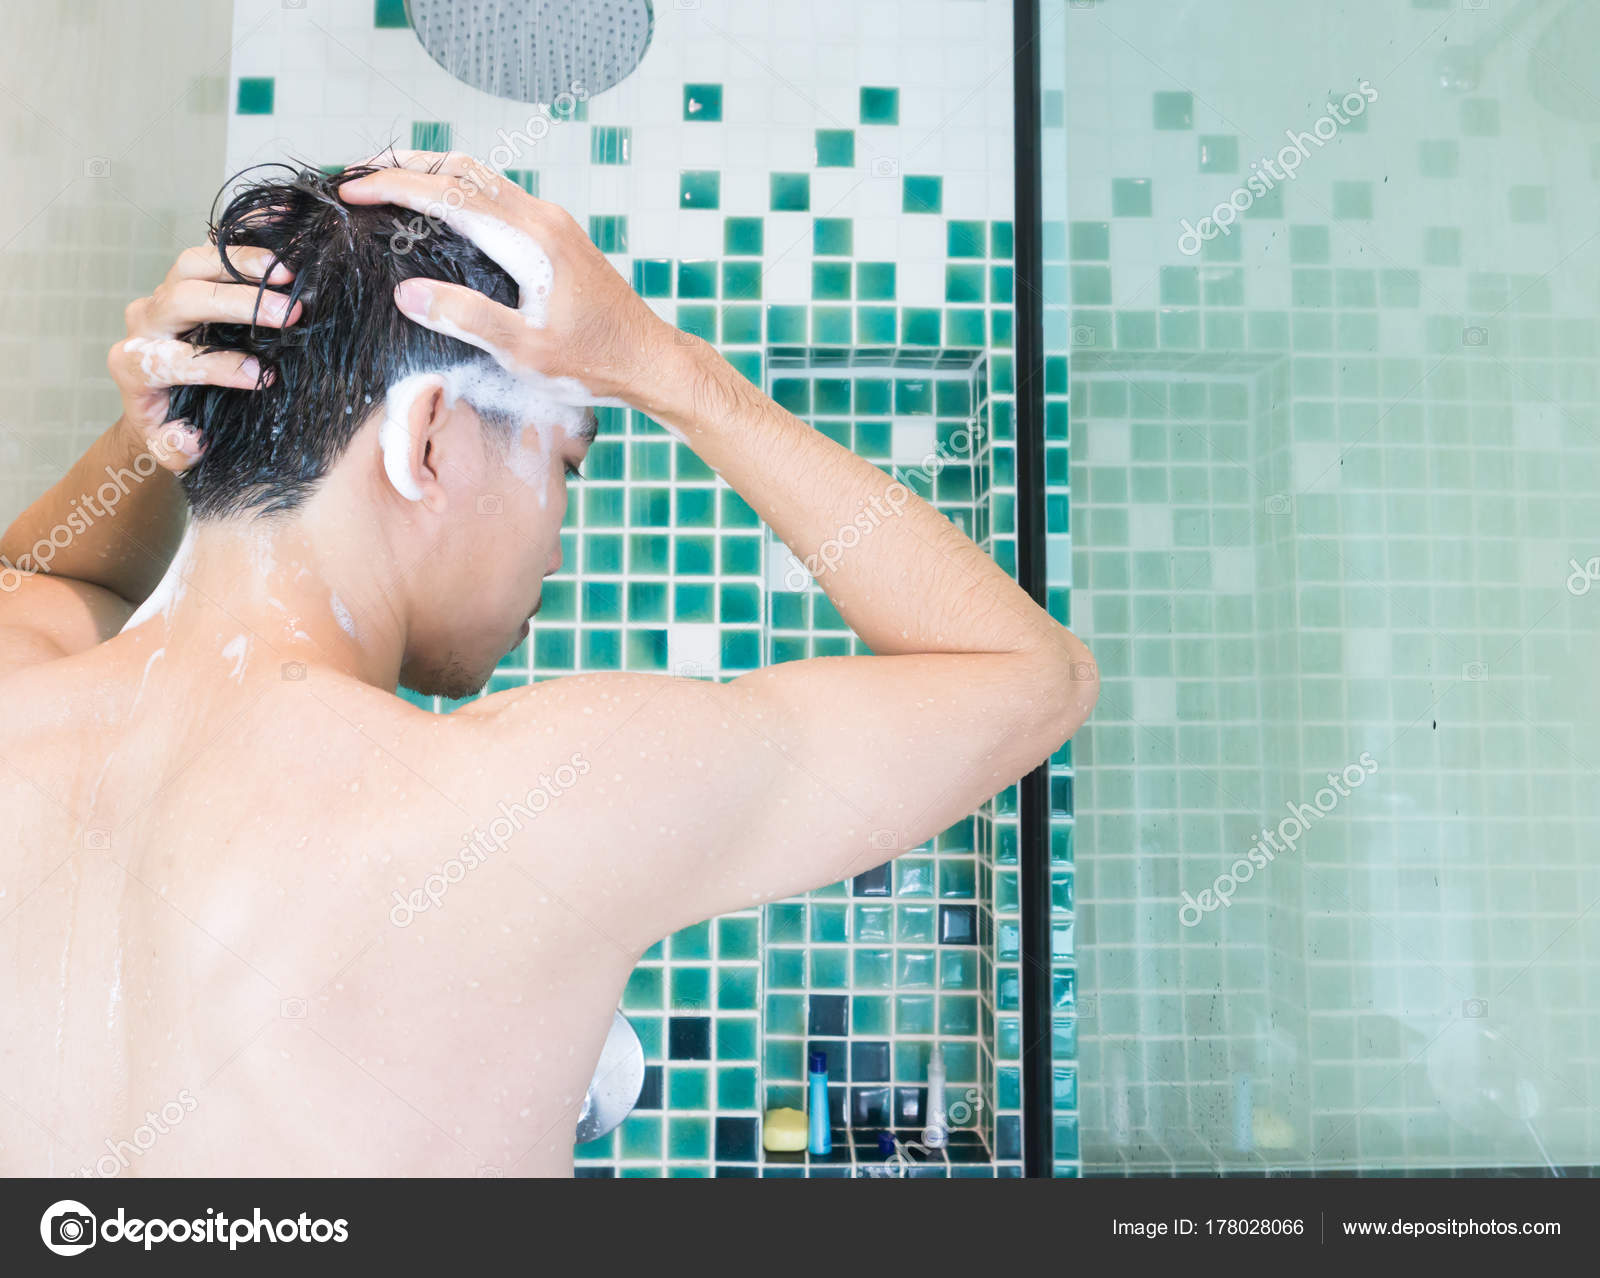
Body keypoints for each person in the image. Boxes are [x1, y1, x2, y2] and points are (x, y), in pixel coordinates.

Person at [0, 153, 1096, 1176]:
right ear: (425, 438)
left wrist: (173, 418)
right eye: (564, 463)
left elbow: (52, 579)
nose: (558, 546)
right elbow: (1028, 674)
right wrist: (665, 367)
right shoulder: (528, 801)